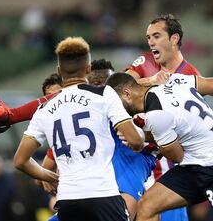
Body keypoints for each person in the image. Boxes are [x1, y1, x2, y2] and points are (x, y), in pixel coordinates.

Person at [13, 36, 145, 221]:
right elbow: (134, 140)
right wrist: (139, 139)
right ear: (88, 69)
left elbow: (20, 160)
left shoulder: (44, 108)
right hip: (102, 195)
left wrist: (49, 176)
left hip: (67, 201)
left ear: (59, 71)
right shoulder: (103, 94)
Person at [106, 72, 213, 221]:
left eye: (116, 105)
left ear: (127, 94)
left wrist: (141, 137)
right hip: (194, 165)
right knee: (147, 206)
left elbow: (176, 156)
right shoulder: (176, 80)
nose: (116, 112)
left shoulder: (156, 115)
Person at [36, 59, 156, 221]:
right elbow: (44, 171)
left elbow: (165, 135)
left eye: (105, 84)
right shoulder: (82, 122)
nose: (101, 89)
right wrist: (51, 179)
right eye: (95, 85)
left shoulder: (141, 104)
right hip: (91, 189)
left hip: (136, 165)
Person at [125, 14, 201, 221]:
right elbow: (121, 87)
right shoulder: (145, 62)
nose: (150, 42)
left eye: (156, 36)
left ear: (174, 39)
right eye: (149, 37)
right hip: (138, 162)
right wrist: (151, 81)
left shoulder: (191, 76)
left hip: (170, 164)